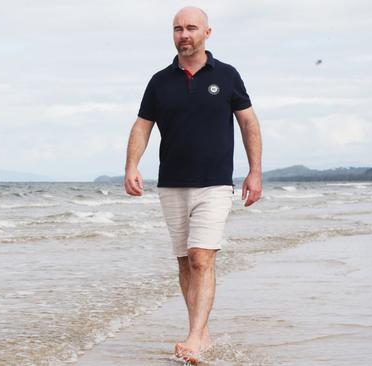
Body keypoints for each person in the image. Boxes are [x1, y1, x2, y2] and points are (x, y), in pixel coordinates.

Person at [123, 6, 263, 364]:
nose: (183, 35)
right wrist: (132, 166)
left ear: (207, 33)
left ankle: (194, 338)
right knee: (185, 261)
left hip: (215, 184)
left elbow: (248, 123)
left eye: (190, 28)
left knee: (202, 257)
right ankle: (201, 333)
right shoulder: (159, 81)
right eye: (177, 29)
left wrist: (254, 172)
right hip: (171, 184)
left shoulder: (227, 76)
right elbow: (142, 126)